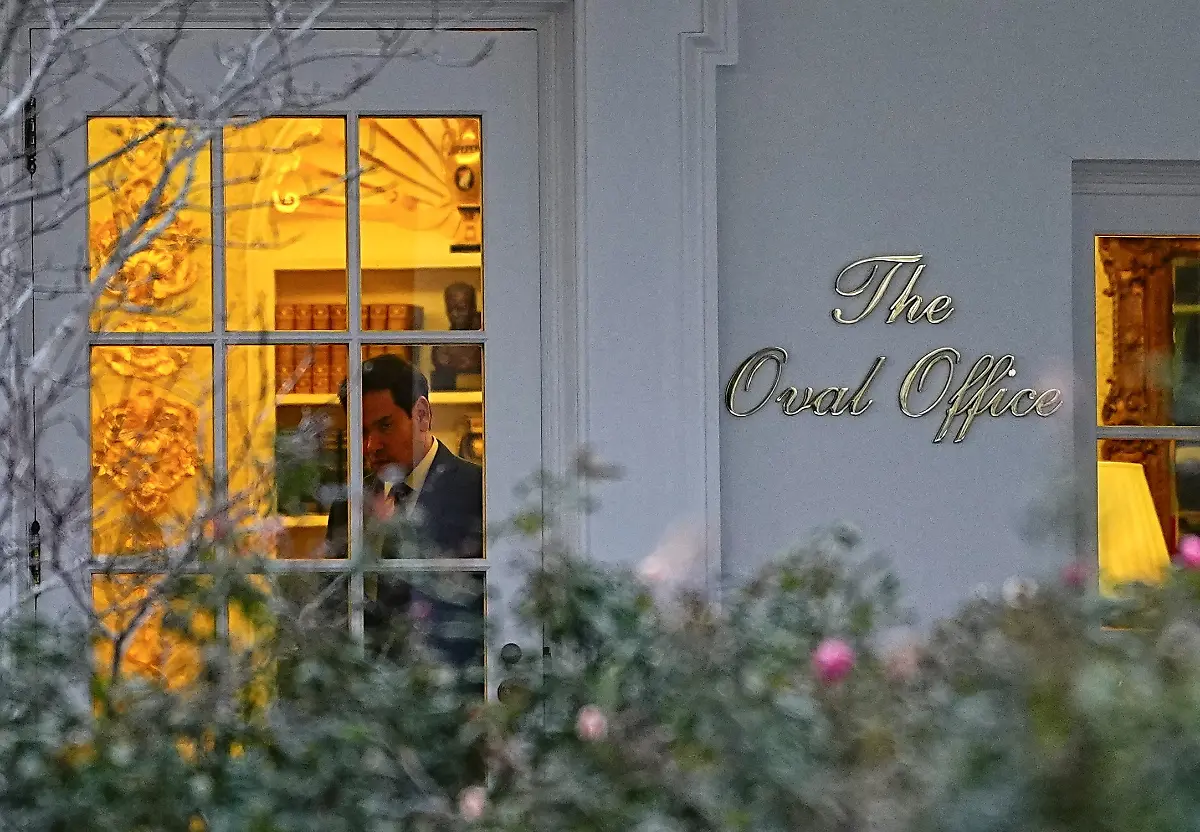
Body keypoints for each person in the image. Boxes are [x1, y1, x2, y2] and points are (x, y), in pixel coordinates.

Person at [324, 353, 484, 670]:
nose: (371, 446)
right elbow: (332, 606)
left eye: (385, 426)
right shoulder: (347, 506)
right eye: (361, 432)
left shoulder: (478, 491)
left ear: (422, 414)